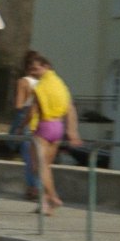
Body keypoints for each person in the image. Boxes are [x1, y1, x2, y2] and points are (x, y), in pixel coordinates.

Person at [21, 51, 82, 216]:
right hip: (58, 128)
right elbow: (70, 109)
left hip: (43, 127)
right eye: (31, 71)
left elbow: (32, 111)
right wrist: (72, 131)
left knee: (38, 167)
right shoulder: (61, 85)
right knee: (45, 167)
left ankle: (53, 198)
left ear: (45, 66)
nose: (33, 73)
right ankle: (45, 203)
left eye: (36, 69)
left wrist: (20, 127)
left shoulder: (41, 87)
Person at [8, 52, 40, 200]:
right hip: (41, 119)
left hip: (26, 116)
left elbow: (19, 105)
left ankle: (32, 188)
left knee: (27, 155)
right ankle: (38, 187)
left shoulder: (23, 82)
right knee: (38, 155)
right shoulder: (43, 81)